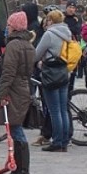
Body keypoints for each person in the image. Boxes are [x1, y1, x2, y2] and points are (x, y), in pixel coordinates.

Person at [0, 11, 37, 174]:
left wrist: (1, 93)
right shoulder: (28, 45)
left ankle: (22, 170)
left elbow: (9, 72)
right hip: (24, 86)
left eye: (9, 25)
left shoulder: (13, 46)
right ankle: (20, 169)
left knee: (15, 128)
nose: (7, 28)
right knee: (15, 127)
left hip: (14, 89)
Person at [33, 9, 74, 152]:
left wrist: (39, 61)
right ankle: (64, 141)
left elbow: (36, 54)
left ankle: (57, 142)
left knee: (54, 110)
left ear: (51, 20)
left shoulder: (49, 34)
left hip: (51, 72)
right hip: (63, 71)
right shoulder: (67, 33)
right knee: (63, 109)